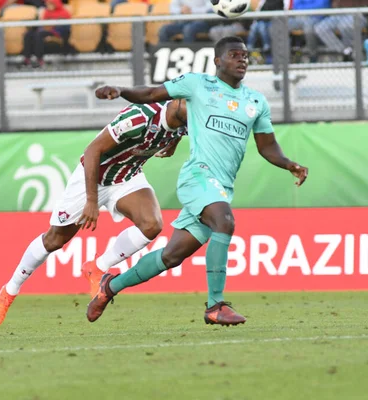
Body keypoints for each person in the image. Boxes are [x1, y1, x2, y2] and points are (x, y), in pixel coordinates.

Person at [87, 36, 309, 326]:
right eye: (234, 55)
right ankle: (215, 305)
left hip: (221, 187)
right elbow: (152, 93)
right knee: (225, 221)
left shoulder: (256, 101)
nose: (242, 60)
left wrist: (289, 163)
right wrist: (121, 90)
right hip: (198, 177)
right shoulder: (197, 84)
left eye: (245, 56)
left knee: (171, 256)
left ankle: (109, 288)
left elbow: (267, 146)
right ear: (217, 61)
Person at [0, 99, 189, 328]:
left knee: (152, 225)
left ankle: (97, 267)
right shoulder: (139, 118)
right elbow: (92, 150)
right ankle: (9, 290)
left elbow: (180, 129)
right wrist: (92, 201)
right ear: (177, 104)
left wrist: (173, 142)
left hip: (127, 176)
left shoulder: (186, 119)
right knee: (55, 239)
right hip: (93, 177)